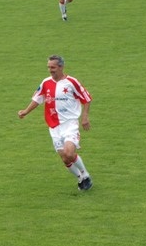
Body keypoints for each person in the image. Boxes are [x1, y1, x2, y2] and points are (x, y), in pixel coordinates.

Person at [18, 55, 93, 191]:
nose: (50, 70)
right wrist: (26, 111)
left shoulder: (71, 82)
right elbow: (37, 99)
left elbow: (86, 98)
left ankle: (85, 175)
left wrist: (85, 117)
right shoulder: (46, 83)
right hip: (54, 127)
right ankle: (80, 178)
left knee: (69, 153)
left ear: (61, 67)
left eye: (52, 67)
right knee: (65, 159)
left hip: (70, 124)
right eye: (48, 67)